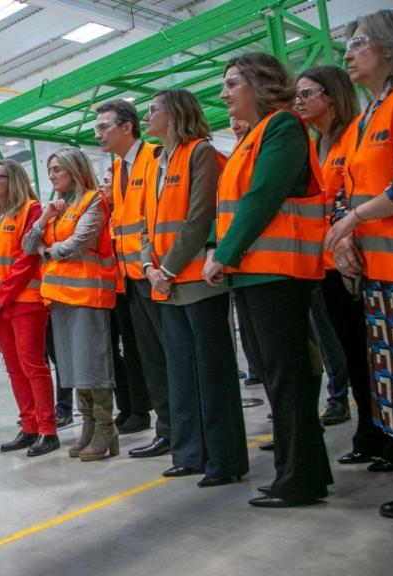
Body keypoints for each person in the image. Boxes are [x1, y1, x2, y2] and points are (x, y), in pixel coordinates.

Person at [203, 52, 333, 508]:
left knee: (287, 375)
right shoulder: (253, 137)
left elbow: (264, 195)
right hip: (254, 273)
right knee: (278, 377)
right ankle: (302, 472)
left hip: (277, 272)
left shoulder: (282, 127)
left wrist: (223, 253)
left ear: (260, 84)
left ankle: (300, 479)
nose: (224, 93)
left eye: (233, 83)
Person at [325, 10, 393, 532]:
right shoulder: (370, 113)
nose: (348, 53)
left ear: (392, 46)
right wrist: (345, 241)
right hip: (383, 277)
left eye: (359, 42)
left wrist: (352, 220)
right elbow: (348, 186)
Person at [142, 89, 248, 486]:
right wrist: (150, 266)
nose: (148, 115)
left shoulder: (201, 153)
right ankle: (189, 453)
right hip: (165, 284)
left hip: (196, 283)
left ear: (176, 114)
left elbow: (200, 217)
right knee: (182, 373)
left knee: (212, 373)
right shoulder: (156, 163)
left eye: (155, 109)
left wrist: (165, 269)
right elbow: (145, 225)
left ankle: (224, 459)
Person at [295, 65, 391, 469]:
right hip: (329, 266)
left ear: (330, 96)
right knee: (353, 354)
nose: (298, 102)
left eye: (306, 94)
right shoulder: (316, 144)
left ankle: (388, 437)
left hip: (361, 262)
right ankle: (370, 433)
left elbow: (352, 197)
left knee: (374, 357)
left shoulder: (353, 136)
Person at [22, 147, 118, 461]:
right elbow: (26, 245)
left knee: (92, 364)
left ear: (75, 170)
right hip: (59, 298)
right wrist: (46, 217)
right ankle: (89, 426)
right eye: (50, 170)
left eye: (58, 170)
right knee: (73, 368)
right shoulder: (56, 208)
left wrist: (48, 252)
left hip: (88, 295)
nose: (52, 176)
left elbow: (80, 243)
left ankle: (106, 428)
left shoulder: (94, 200)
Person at [97, 99, 172, 458]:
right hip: (130, 278)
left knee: (167, 353)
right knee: (150, 356)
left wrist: (153, 267)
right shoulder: (118, 167)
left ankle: (179, 427)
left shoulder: (155, 157)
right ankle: (168, 428)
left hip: (156, 272)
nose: (98, 134)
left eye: (104, 127)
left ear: (127, 127)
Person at [0, 159, 57, 456]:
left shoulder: (31, 210)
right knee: (13, 367)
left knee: (32, 365)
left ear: (13, 180)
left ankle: (48, 430)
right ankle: (29, 426)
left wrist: (3, 295)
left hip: (25, 301)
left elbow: (27, 259)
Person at [229, 116, 264, 390]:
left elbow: (258, 199)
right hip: (242, 265)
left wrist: (220, 255)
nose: (234, 123)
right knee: (254, 334)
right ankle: (256, 368)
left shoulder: (275, 129)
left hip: (272, 263)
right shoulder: (238, 151)